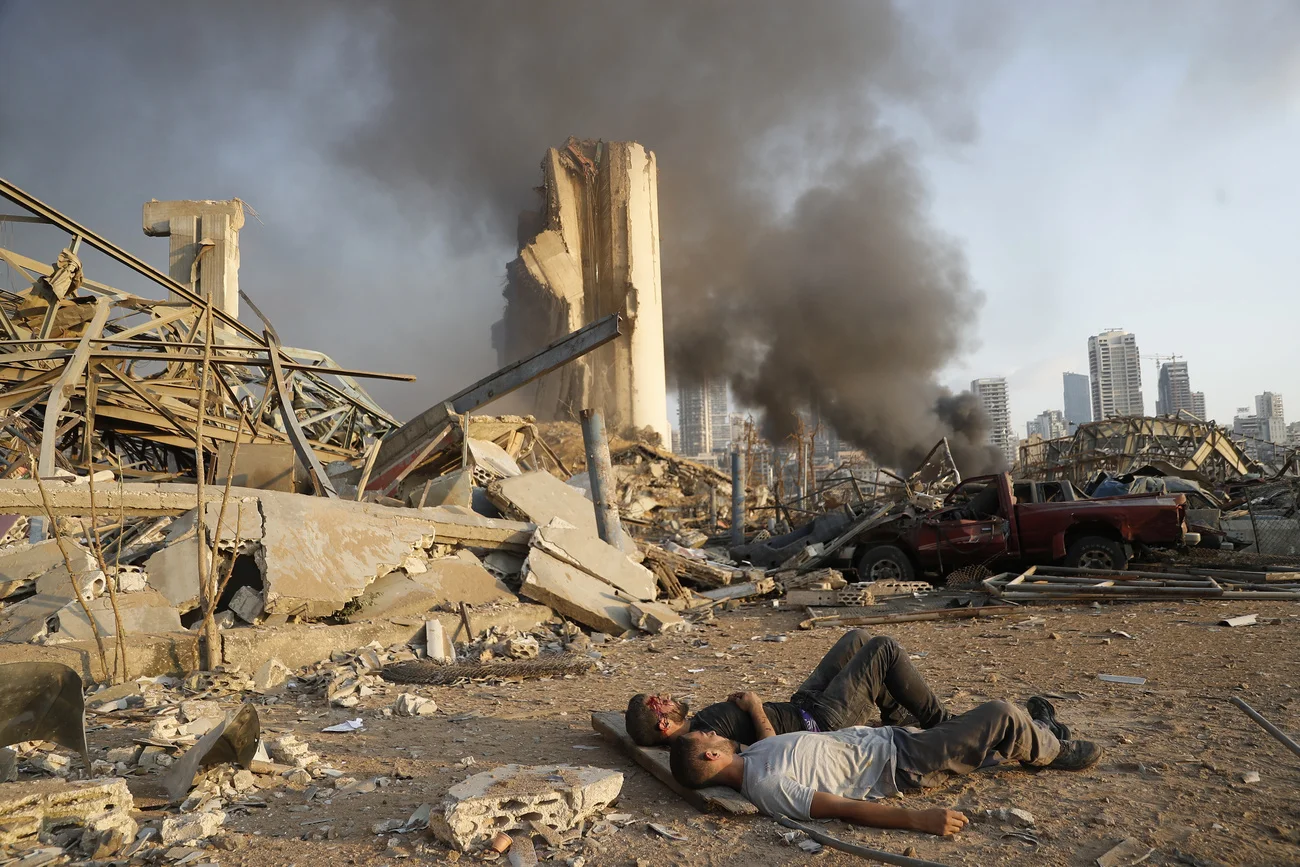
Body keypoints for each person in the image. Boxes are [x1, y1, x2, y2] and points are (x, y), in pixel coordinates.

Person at [669, 696, 1097, 837]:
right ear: (710, 757)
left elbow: (775, 744)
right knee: (1000, 712)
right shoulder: (768, 786)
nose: (709, 733)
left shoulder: (752, 757)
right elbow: (843, 808)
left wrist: (757, 708)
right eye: (705, 738)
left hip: (894, 741)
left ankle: (1041, 728)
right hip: (902, 763)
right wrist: (918, 821)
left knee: (983, 738)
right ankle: (1054, 750)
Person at [625, 631, 950, 746]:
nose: (667, 697)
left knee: (858, 639)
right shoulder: (701, 742)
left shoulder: (698, 723)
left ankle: (898, 718)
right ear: (663, 725)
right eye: (660, 702)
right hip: (821, 724)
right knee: (883, 648)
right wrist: (754, 707)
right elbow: (768, 753)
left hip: (802, 707)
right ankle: (944, 724)